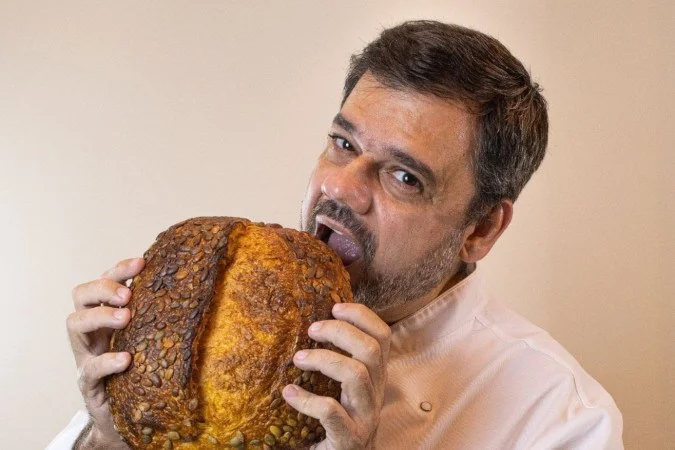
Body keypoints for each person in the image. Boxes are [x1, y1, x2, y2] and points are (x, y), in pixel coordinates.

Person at [48, 20, 623, 449]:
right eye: (344, 144)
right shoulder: (211, 324)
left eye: (404, 177)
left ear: (480, 229)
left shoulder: (562, 417)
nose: (341, 188)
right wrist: (111, 437)